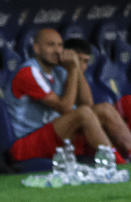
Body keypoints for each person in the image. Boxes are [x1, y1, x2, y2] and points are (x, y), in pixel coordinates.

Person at [4, 29, 120, 164]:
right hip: (26, 143)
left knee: (104, 109)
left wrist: (76, 68)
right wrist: (71, 70)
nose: (57, 50)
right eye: (51, 45)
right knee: (83, 114)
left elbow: (87, 103)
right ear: (36, 48)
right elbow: (65, 108)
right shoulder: (29, 72)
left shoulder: (58, 71)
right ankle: (116, 161)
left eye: (60, 45)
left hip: (52, 135)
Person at [61, 37, 131, 162]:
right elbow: (74, 108)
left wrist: (77, 70)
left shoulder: (77, 73)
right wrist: (74, 68)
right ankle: (120, 161)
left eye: (85, 61)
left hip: (81, 128)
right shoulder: (60, 72)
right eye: (78, 60)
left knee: (107, 108)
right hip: (64, 132)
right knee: (101, 110)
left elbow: (87, 103)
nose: (82, 65)